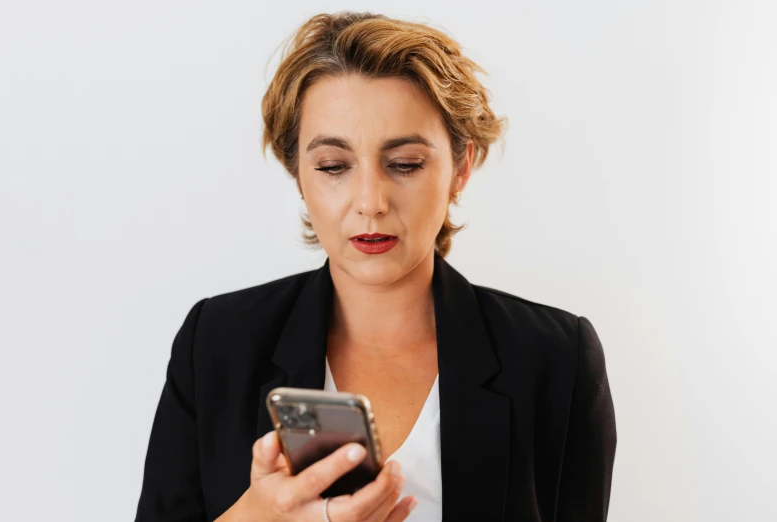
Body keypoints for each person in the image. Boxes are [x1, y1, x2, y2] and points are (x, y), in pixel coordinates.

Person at [134, 11, 617, 522]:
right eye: (333, 167)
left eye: (405, 163)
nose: (370, 201)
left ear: (461, 167)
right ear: (298, 172)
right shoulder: (215, 343)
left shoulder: (557, 359)